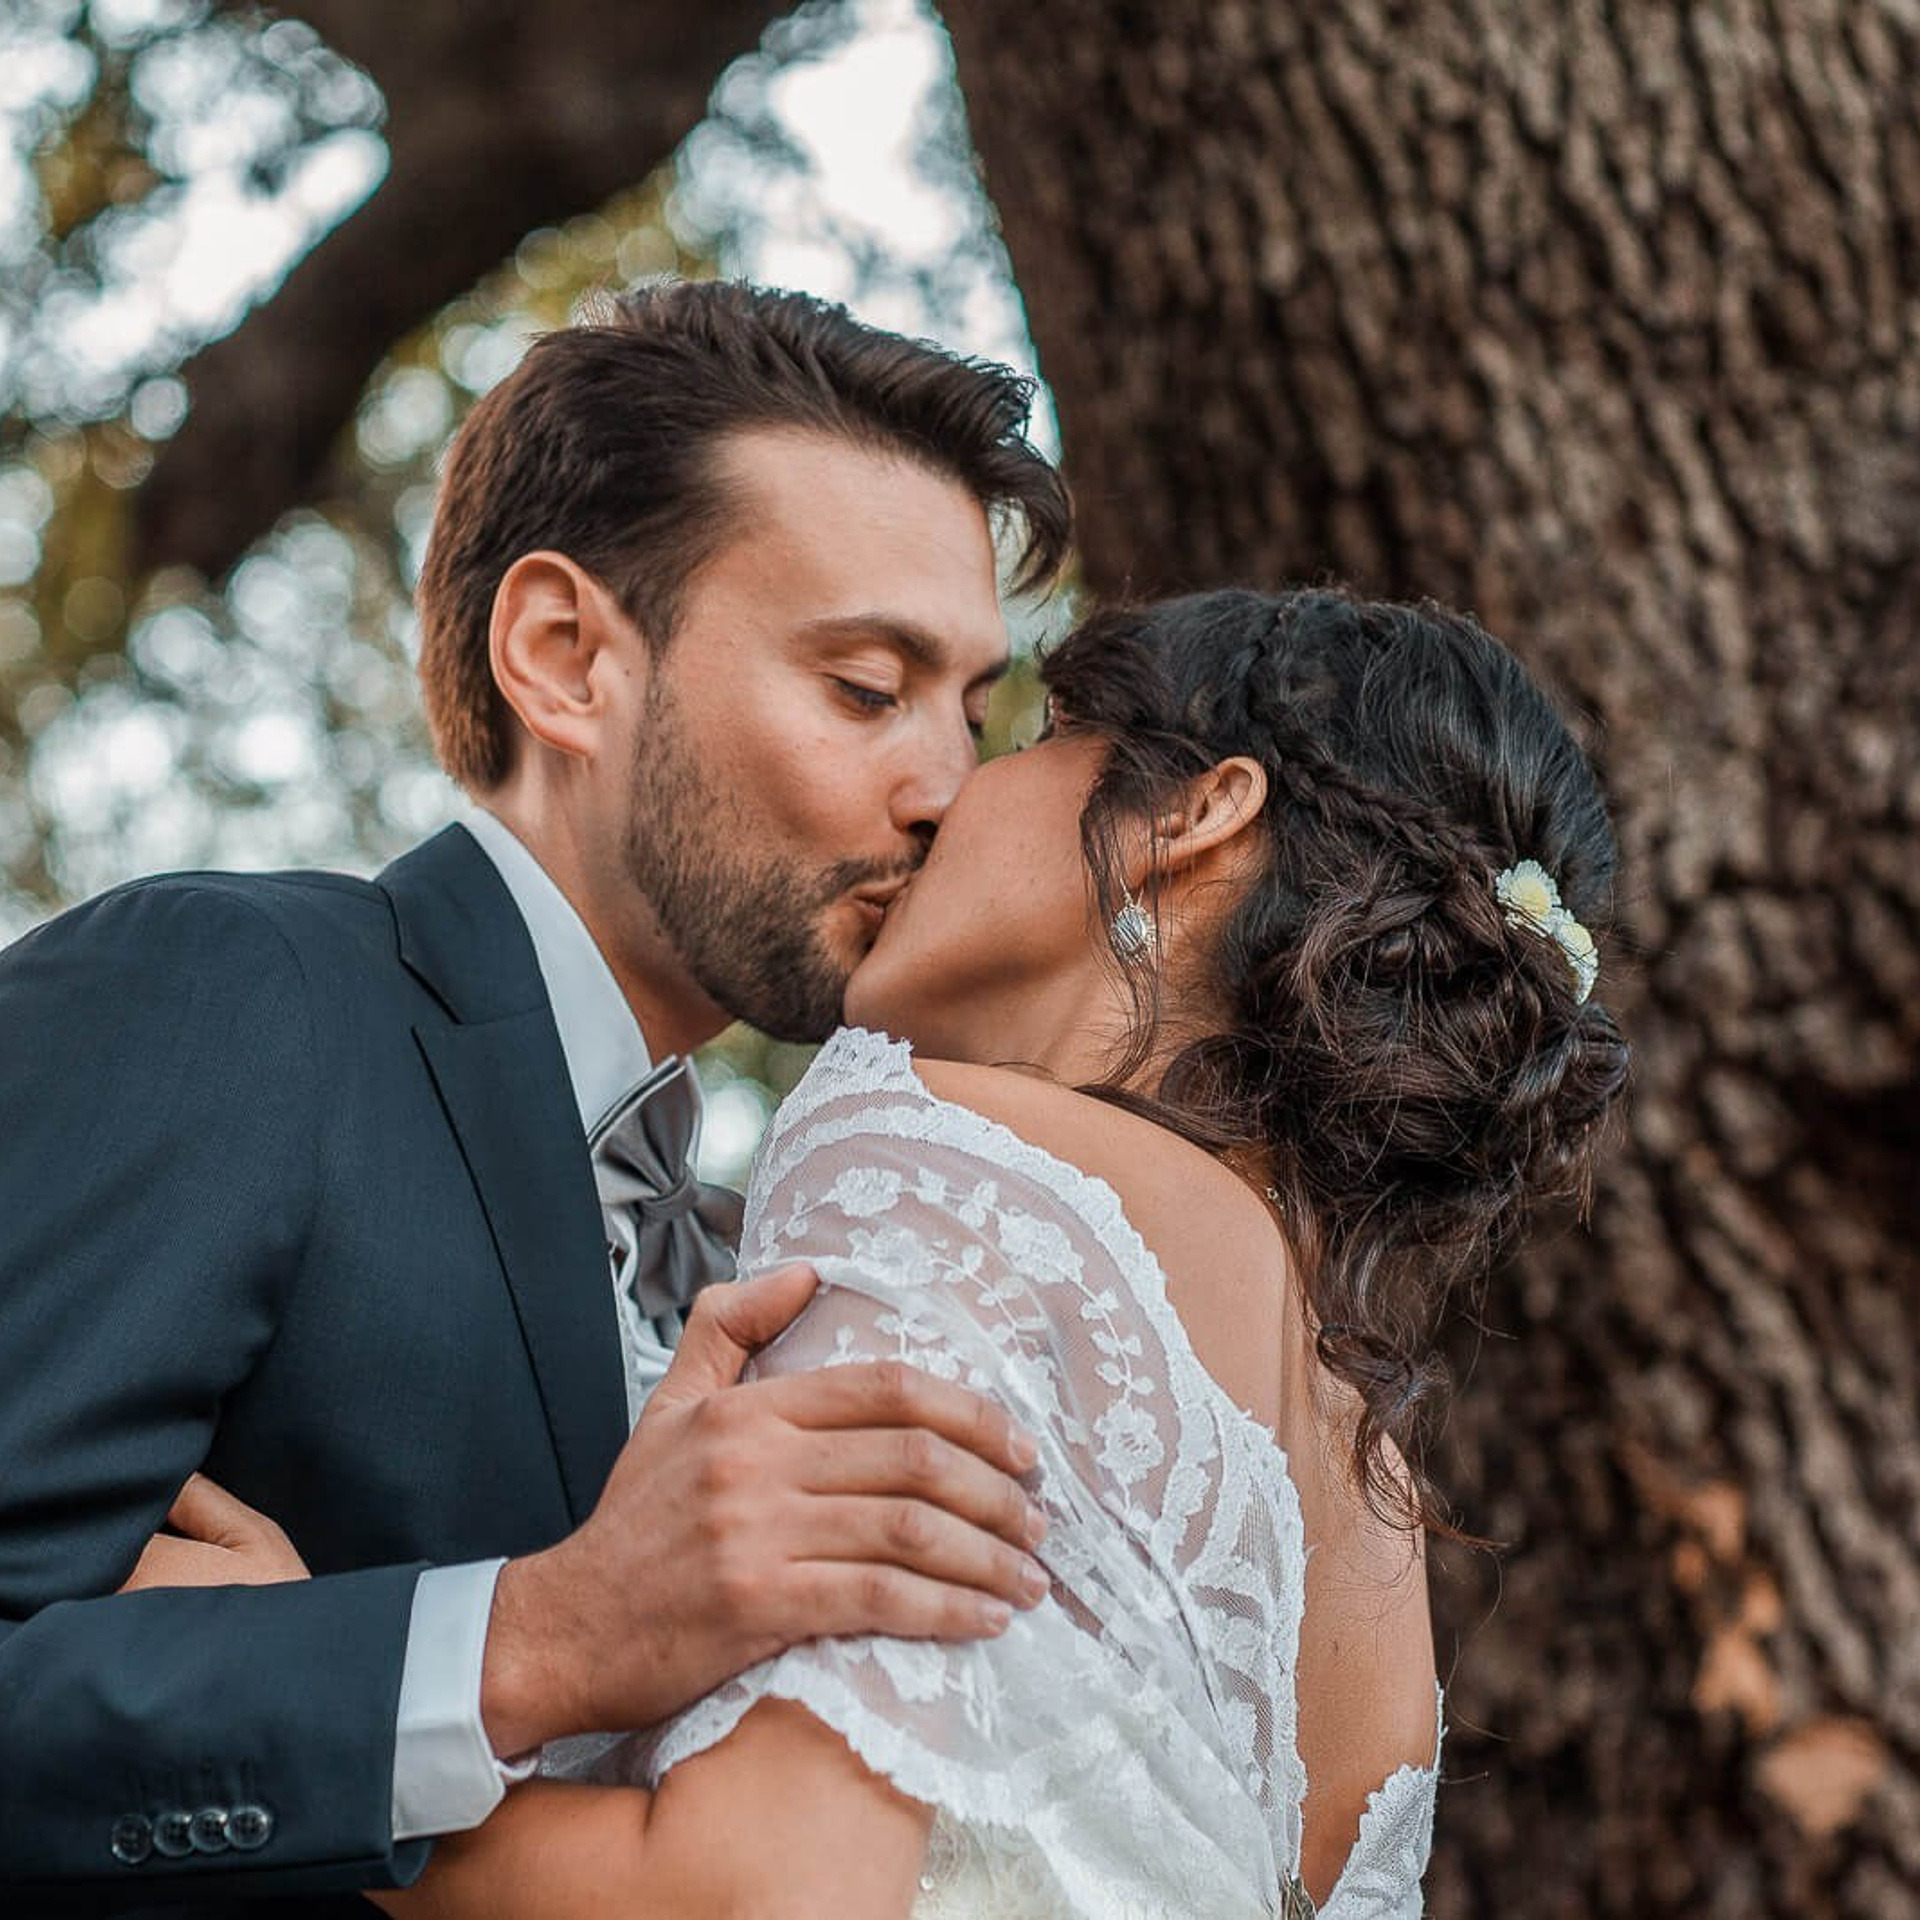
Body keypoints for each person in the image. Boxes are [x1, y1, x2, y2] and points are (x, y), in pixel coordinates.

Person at [165, 587, 1631, 1917]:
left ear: (1191, 818)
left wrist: (309, 1695)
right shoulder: (1373, 1508)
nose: (935, 800)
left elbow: (758, 1896)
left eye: (1033, 735)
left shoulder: (953, 1155)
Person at [0, 279, 1073, 1908]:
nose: (947, 790)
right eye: (868, 687)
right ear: (565, 659)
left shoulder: (764, 1250)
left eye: (970, 712)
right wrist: (534, 1638)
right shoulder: (235, 993)